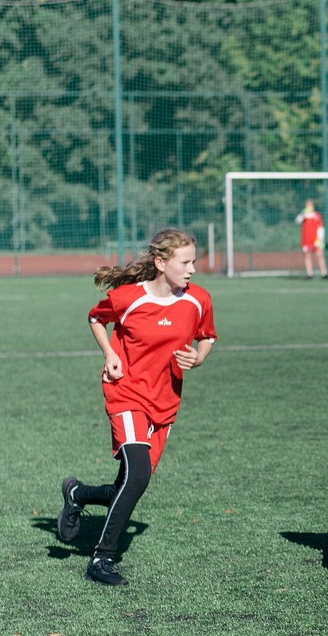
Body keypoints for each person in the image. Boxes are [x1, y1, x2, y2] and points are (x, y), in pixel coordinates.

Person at [56, 228, 216, 586]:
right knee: (138, 475)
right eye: (185, 262)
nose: (192, 269)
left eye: (193, 261)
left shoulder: (198, 300)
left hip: (165, 401)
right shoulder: (128, 297)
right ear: (161, 263)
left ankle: (77, 494)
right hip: (125, 393)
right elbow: (95, 318)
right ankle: (102, 559)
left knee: (128, 484)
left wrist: (199, 357)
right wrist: (110, 354)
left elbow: (207, 336)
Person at [295, 198, 328, 280]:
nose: (309, 206)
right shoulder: (303, 216)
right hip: (306, 240)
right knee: (307, 256)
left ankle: (324, 274)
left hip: (316, 240)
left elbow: (320, 228)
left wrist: (320, 239)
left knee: (320, 255)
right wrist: (303, 214)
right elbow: (297, 221)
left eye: (310, 205)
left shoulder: (317, 215)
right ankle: (309, 274)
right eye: (307, 205)